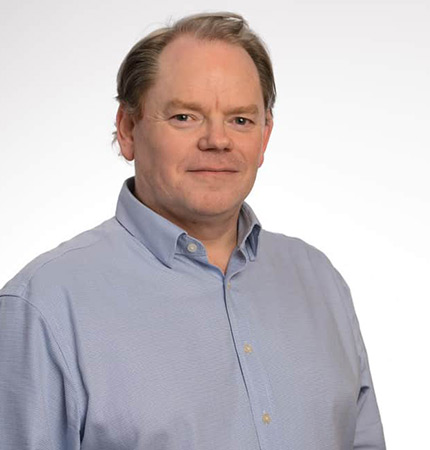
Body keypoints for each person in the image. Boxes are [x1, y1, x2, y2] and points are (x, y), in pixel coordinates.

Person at [0, 12, 385, 450]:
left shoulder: (320, 281)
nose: (217, 140)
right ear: (127, 129)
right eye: (185, 117)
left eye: (240, 120)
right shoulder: (44, 305)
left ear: (265, 135)